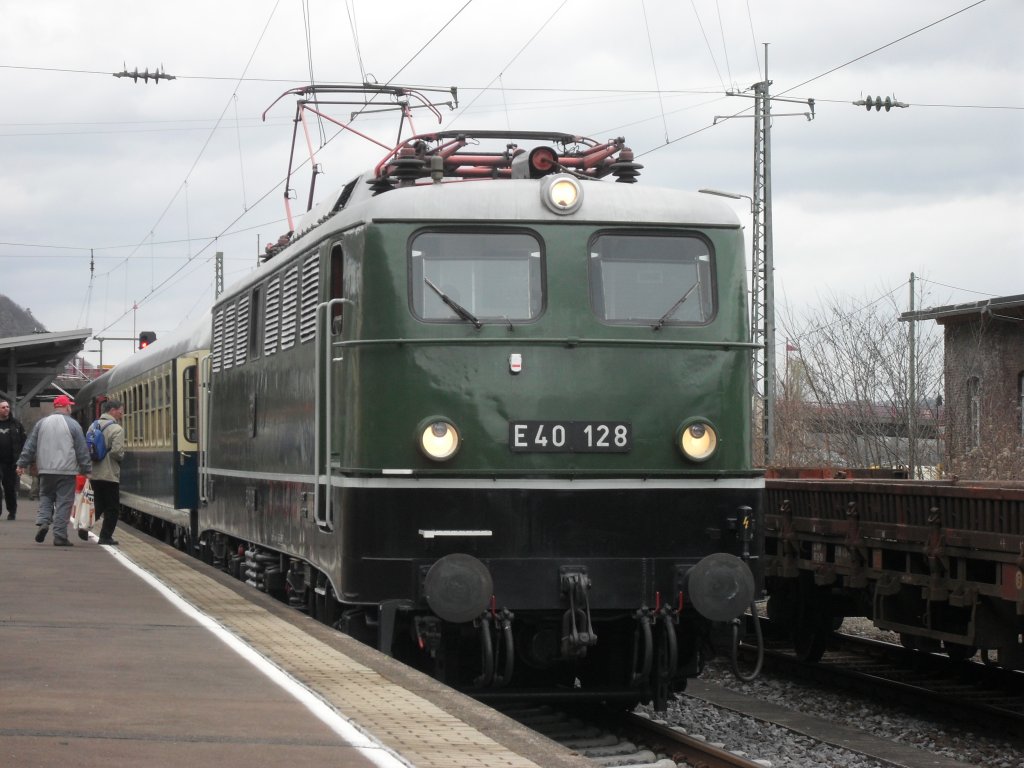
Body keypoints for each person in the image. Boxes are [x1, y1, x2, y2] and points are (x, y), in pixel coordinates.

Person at [16, 395, 91, 546]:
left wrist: (21, 463)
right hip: (67, 471)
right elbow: (81, 449)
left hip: (45, 470)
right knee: (64, 502)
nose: (70, 408)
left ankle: (43, 521)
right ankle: (60, 536)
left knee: (46, 496)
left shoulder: (41, 423)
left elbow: (30, 445)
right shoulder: (73, 425)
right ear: (66, 406)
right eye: (69, 405)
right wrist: (87, 469)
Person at [88, 399, 125, 545]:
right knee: (112, 507)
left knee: (97, 503)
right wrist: (121, 457)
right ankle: (105, 536)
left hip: (94, 472)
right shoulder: (117, 429)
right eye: (120, 410)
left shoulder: (93, 425)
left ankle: (85, 525)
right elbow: (117, 452)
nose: (122, 413)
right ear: (113, 410)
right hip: (109, 474)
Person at [0, 399, 28, 520]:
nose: (6, 409)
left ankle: (12, 511)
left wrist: (22, 461)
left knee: (10, 488)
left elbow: (24, 442)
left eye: (7, 407)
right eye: (3, 407)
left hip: (11, 463)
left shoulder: (16, 424)